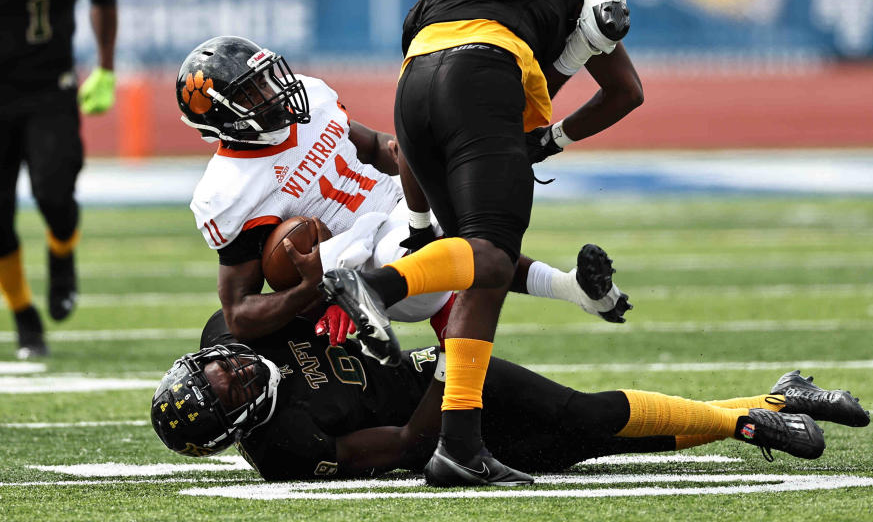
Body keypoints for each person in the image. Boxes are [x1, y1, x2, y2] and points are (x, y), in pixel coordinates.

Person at [315, 0, 643, 485]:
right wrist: (556, 136)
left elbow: (410, 138)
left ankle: (459, 446)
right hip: (486, 72)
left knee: (476, 267)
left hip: (415, 88)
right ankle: (377, 288)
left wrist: (419, 224)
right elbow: (625, 92)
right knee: (489, 255)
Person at [175, 35, 631, 356]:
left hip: (400, 203)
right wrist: (310, 291)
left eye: (268, 78)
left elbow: (373, 145)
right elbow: (239, 313)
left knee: (473, 215)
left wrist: (416, 161)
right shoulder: (229, 192)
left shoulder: (311, 99)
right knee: (442, 238)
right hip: (363, 254)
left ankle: (570, 290)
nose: (274, 93)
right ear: (224, 119)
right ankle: (371, 306)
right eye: (253, 92)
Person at [150, 310, 871, 481]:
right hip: (435, 416)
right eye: (224, 390)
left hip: (448, 366)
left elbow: (299, 280)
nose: (232, 371)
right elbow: (403, 446)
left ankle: (748, 424)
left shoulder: (236, 328)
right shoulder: (283, 449)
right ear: (235, 425)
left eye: (217, 368)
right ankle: (776, 401)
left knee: (578, 411)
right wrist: (439, 382)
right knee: (584, 443)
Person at [0, 0, 117, 359]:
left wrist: (106, 68)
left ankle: (62, 254)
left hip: (52, 89)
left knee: (55, 193)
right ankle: (25, 317)